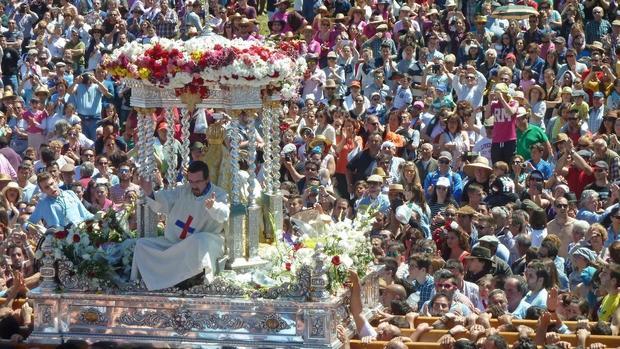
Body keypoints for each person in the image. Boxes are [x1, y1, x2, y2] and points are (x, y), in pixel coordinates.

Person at [131, 161, 230, 291]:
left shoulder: (219, 194)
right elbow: (163, 201)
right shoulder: (183, 191)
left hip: (207, 242)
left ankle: (196, 282)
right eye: (191, 181)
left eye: (198, 182)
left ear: (207, 179)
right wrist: (149, 192)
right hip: (176, 244)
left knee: (198, 241)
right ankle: (142, 284)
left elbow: (224, 214)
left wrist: (213, 207)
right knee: (142, 245)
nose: (193, 186)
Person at [28, 171, 94, 228]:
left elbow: (86, 214)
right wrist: (28, 227)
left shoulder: (70, 193)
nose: (51, 188)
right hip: (61, 240)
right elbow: (29, 223)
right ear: (42, 191)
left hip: (81, 234)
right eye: (46, 187)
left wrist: (100, 217)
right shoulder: (43, 204)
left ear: (56, 181)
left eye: (51, 184)